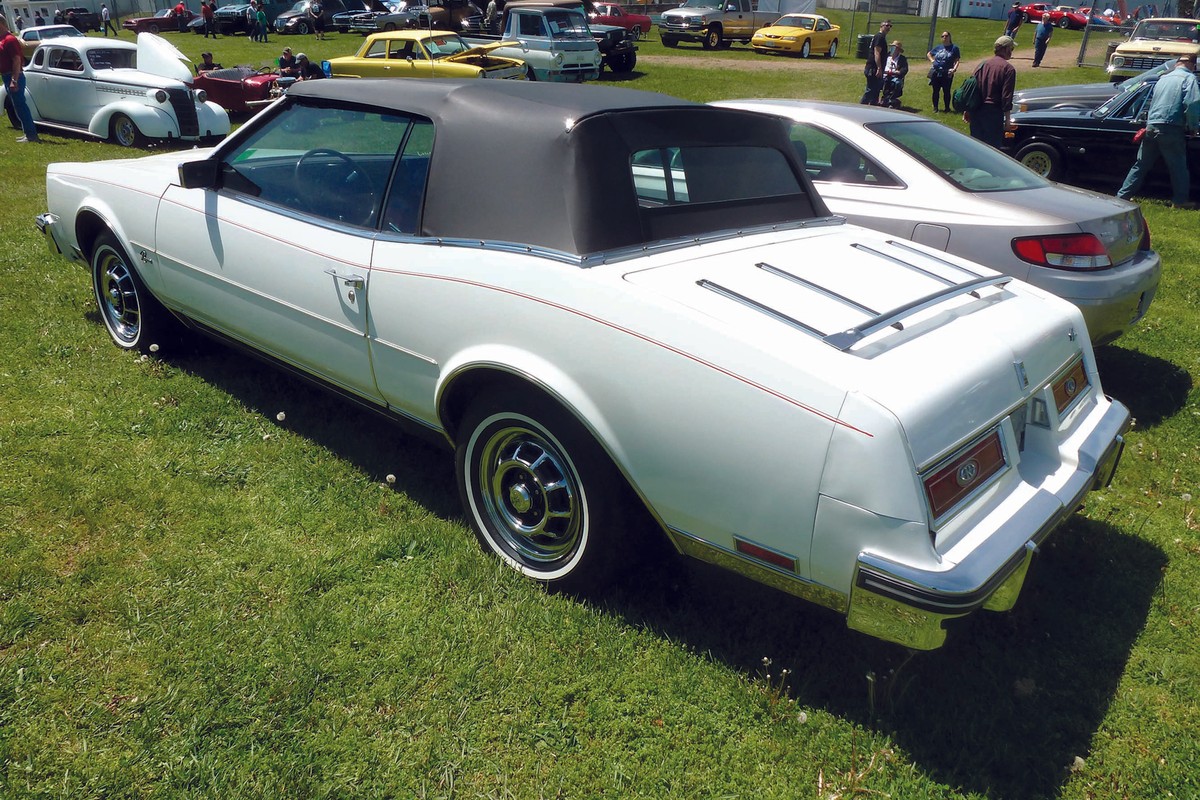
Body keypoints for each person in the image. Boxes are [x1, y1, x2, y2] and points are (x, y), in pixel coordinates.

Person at [1118, 54, 1200, 208]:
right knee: (1178, 167)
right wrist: (1194, 126)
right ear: (1192, 65)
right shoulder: (1189, 79)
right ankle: (1180, 201)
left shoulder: (1163, 79)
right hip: (1171, 127)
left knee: (1141, 165)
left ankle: (1122, 196)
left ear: (1177, 64)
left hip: (1151, 125)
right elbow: (1192, 103)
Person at [966, 35, 1016, 149]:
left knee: (975, 147)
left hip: (976, 111)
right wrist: (1008, 120)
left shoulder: (982, 65)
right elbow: (1006, 97)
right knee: (991, 150)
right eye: (1011, 49)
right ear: (1005, 49)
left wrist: (967, 110)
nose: (1012, 52)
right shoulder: (1008, 69)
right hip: (993, 113)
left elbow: (971, 88)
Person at [0, 15, 38, 143]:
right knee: (17, 106)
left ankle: (31, 135)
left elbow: (16, 60)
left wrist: (14, 80)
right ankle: (27, 132)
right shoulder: (2, 39)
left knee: (21, 106)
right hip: (6, 75)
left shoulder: (9, 40)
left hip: (13, 75)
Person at [860, 19, 892, 105]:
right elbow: (876, 52)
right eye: (886, 25)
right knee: (871, 90)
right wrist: (879, 68)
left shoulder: (881, 37)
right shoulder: (879, 37)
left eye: (890, 26)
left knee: (876, 91)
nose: (888, 27)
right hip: (873, 68)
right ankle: (861, 107)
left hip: (876, 68)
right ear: (881, 26)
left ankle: (873, 109)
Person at [926, 30, 960, 112]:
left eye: (946, 36)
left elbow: (957, 60)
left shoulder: (954, 48)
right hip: (936, 72)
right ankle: (935, 108)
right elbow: (929, 54)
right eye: (942, 36)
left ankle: (947, 108)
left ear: (949, 37)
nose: (944, 37)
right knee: (935, 91)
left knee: (946, 91)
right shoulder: (938, 47)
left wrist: (954, 69)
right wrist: (932, 61)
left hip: (947, 72)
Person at [880, 40, 909, 109]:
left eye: (895, 48)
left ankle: (891, 99)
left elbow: (904, 69)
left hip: (895, 76)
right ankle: (883, 99)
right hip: (884, 75)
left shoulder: (902, 59)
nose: (893, 49)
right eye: (892, 47)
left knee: (897, 83)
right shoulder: (886, 56)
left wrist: (897, 72)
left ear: (898, 50)